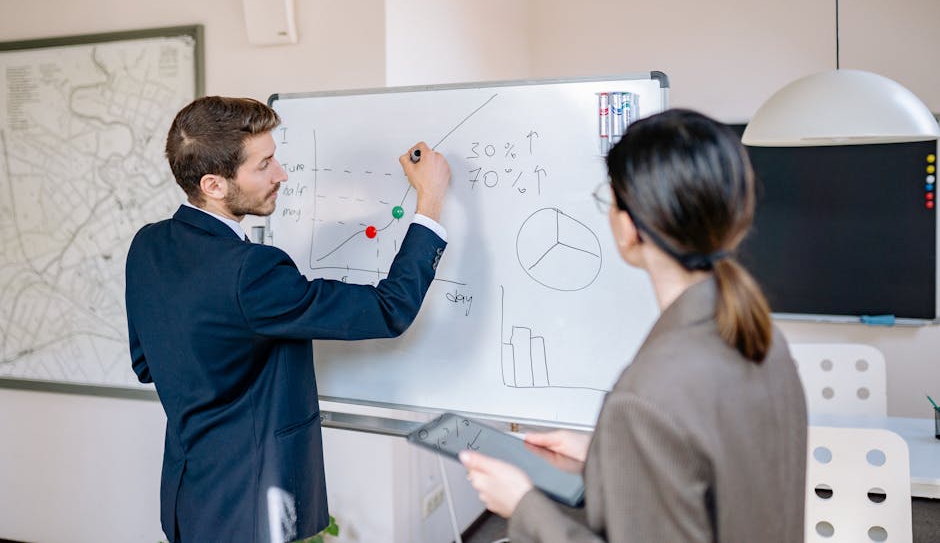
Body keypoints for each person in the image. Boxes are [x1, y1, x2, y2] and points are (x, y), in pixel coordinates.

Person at [460, 109, 807, 542]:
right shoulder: (764, 342)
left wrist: (522, 504)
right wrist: (608, 455)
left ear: (628, 228)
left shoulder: (647, 396)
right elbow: (714, 471)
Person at [125, 96, 451, 543]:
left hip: (188, 502)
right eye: (264, 165)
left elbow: (146, 364)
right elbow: (388, 309)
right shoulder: (251, 271)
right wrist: (430, 201)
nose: (281, 174)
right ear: (214, 184)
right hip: (252, 508)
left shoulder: (147, 246)